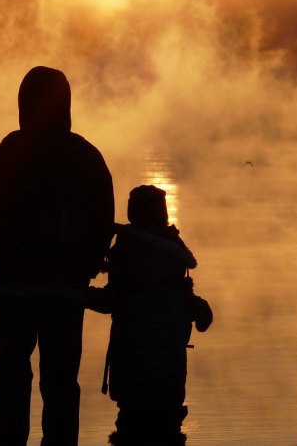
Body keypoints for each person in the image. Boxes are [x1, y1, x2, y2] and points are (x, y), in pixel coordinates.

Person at [0, 66, 115, 446]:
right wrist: (84, 271)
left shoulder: (12, 150)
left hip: (14, 292)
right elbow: (102, 226)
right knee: (60, 384)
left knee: (11, 377)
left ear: (24, 104)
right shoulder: (87, 157)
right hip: (65, 296)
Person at [87, 185, 212, 446]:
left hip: (131, 363)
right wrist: (201, 312)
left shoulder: (125, 249)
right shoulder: (172, 251)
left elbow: (111, 300)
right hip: (169, 365)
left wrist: (78, 295)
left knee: (131, 426)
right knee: (167, 426)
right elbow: (187, 300)